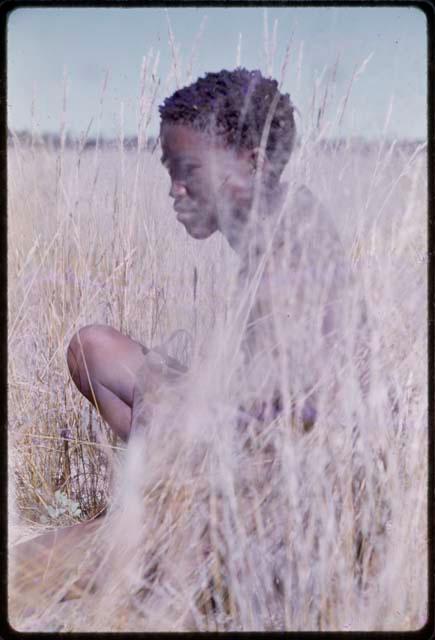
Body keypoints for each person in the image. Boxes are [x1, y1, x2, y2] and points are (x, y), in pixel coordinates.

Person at [67, 67, 352, 440]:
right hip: (251, 420)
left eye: (189, 171)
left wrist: (175, 413)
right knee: (92, 349)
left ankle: (160, 484)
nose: (175, 190)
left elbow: (302, 410)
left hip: (287, 443)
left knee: (158, 407)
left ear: (254, 162)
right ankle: (160, 476)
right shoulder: (260, 228)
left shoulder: (292, 240)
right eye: (172, 172)